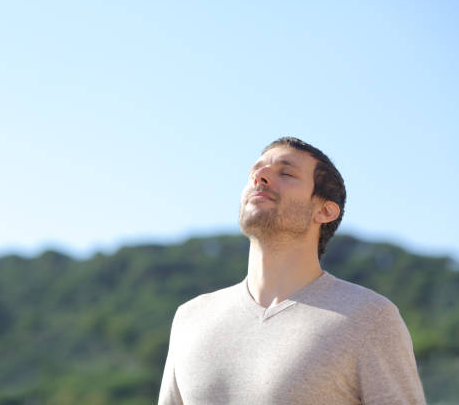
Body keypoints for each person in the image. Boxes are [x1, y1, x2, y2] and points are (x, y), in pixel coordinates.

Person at [158, 137, 427, 404]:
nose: (260, 176)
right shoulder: (190, 318)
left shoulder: (369, 317)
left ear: (324, 210)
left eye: (285, 173)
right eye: (256, 170)